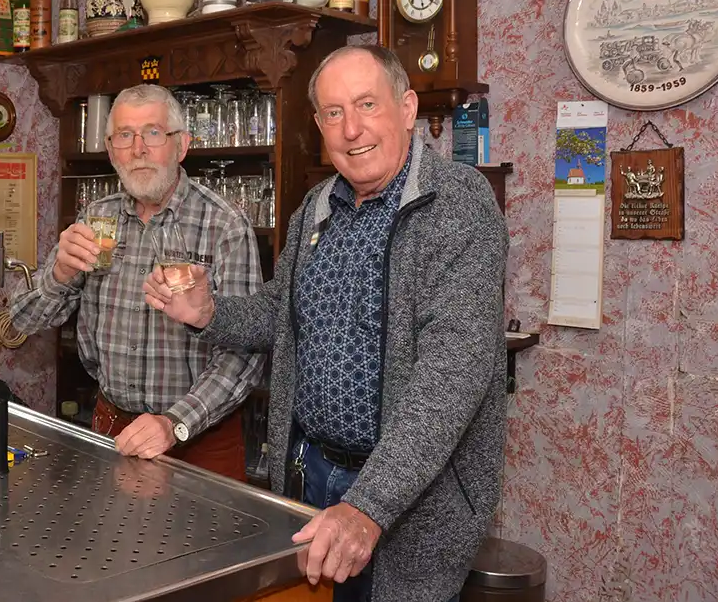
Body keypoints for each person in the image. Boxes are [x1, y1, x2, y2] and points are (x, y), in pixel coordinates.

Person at [143, 46, 509, 602]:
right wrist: (208, 312)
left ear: (407, 108)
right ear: (318, 125)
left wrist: (369, 505)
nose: (352, 128)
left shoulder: (457, 203)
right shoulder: (317, 206)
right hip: (311, 474)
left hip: (409, 497)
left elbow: (453, 371)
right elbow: (281, 312)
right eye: (333, 113)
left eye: (367, 104)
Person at [9, 84, 264, 480]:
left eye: (154, 133)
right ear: (111, 151)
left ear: (181, 146)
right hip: (112, 428)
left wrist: (174, 422)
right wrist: (59, 275)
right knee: (110, 542)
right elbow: (23, 322)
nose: (139, 148)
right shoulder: (96, 217)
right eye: (125, 136)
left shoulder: (224, 225)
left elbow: (245, 354)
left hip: (198, 437)